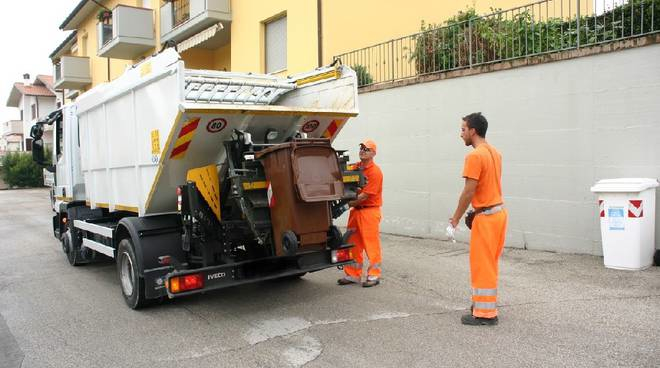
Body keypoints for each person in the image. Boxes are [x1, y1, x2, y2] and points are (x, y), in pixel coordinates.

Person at [449, 112, 508, 326]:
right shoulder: (495, 153)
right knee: (490, 263)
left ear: (473, 131)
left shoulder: (474, 156)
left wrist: (455, 218)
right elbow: (489, 187)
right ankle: (484, 304)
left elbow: (469, 191)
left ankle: (485, 314)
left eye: (463, 129)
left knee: (482, 265)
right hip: (498, 213)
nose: (461, 134)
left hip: (486, 218)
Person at [338, 139, 383, 288]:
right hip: (356, 212)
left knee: (371, 244)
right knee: (353, 244)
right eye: (362, 148)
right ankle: (353, 274)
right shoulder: (355, 167)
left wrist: (345, 205)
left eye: (367, 149)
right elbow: (340, 174)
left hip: (369, 212)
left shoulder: (375, 172)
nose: (363, 150)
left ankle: (374, 275)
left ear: (374, 153)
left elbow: (365, 196)